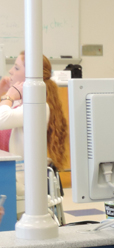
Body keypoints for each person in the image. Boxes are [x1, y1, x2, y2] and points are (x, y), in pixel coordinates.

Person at [0, 52, 68, 217]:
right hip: (8, 179)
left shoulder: (37, 106)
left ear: (30, 75)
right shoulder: (17, 102)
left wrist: (7, 96)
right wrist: (3, 94)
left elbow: (1, 119)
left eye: (16, 67)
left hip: (20, 187)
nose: (10, 72)